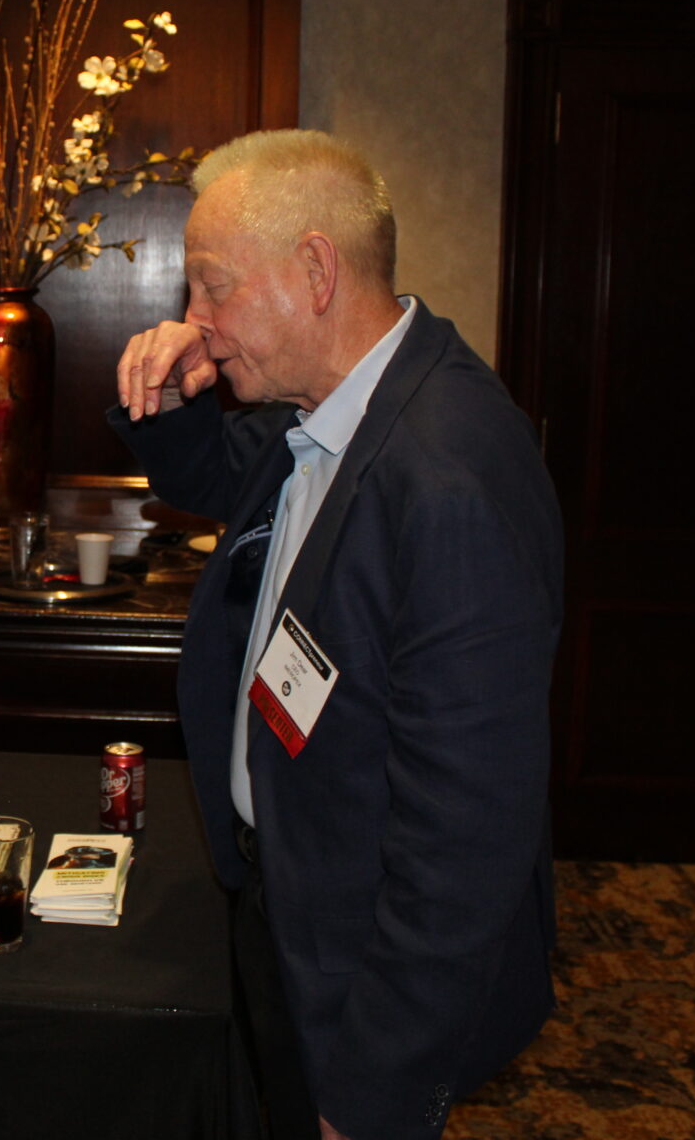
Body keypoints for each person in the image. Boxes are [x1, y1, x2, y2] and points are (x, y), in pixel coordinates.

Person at [110, 129, 561, 1140]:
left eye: (214, 287)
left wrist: (376, 1089)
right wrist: (174, 390)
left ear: (315, 271)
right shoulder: (323, 407)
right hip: (290, 900)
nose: (195, 319)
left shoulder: (447, 477)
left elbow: (465, 841)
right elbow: (217, 478)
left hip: (360, 967)